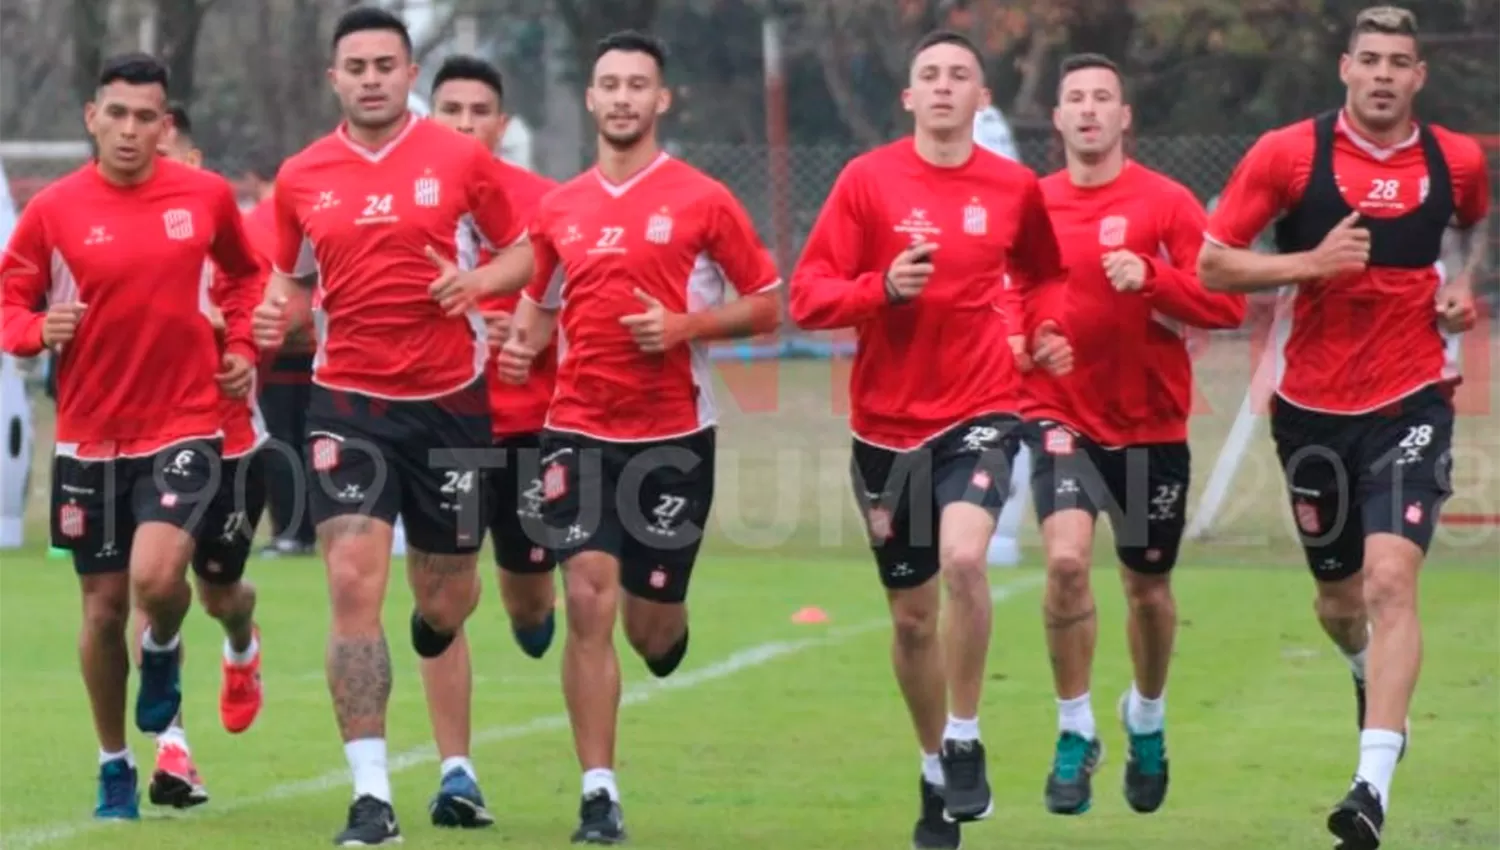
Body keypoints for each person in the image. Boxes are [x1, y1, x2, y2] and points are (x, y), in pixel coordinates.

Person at [1198, 7, 1490, 848]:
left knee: (1391, 580)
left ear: (1419, 76)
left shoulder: (1455, 160)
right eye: (1371, 60)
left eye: (1401, 61)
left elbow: (1473, 223)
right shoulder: (1289, 154)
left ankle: (1370, 786)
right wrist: (1308, 264)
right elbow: (1214, 261)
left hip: (1413, 397)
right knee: (1337, 600)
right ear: (1345, 69)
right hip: (1314, 413)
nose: (1385, 75)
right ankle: (1366, 673)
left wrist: (1460, 288)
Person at [250, 8, 534, 845]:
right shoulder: (302, 176)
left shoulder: (460, 159)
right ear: (333, 79)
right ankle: (370, 797)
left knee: (446, 598)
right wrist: (278, 319)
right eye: (355, 65)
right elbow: (290, 286)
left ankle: (442, 652)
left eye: (386, 63)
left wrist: (478, 284)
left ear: (412, 75)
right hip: (349, 402)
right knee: (351, 581)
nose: (371, 77)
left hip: (450, 402)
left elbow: (527, 252)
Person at [788, 29, 1073, 850]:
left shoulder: (1014, 188)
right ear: (908, 98)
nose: (945, 87)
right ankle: (930, 769)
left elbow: (1046, 273)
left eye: (960, 76)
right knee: (912, 621)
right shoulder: (865, 181)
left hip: (983, 407)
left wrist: (1045, 326)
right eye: (929, 76)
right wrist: (880, 288)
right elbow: (808, 297)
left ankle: (964, 732)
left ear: (982, 98)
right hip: (884, 428)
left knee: (965, 560)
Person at [495, 30, 781, 844]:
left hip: (673, 438)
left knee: (650, 631)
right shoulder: (559, 207)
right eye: (609, 85)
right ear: (590, 100)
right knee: (586, 591)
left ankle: (667, 624)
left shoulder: (702, 198)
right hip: (577, 427)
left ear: (662, 101)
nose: (622, 98)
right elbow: (542, 301)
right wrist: (521, 341)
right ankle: (597, 793)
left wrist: (686, 324)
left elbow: (766, 302)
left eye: (637, 86)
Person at [0, 54, 261, 820]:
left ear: (164, 124)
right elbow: (10, 302)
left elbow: (246, 276)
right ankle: (115, 764)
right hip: (88, 434)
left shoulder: (205, 196)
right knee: (102, 608)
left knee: (156, 581)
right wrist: (34, 330)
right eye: (116, 114)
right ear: (92, 117)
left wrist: (240, 347)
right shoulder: (53, 210)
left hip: (184, 422)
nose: (129, 129)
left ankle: (162, 656)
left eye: (146, 117)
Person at [1019, 54, 1246, 818]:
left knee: (1147, 590)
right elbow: (1003, 301)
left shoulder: (1168, 203)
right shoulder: (1033, 205)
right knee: (1064, 564)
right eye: (1074, 98)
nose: (1088, 109)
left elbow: (1226, 308)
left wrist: (1153, 278)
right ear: (1057, 118)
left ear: (1124, 117)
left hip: (1151, 428)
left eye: (1102, 98)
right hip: (1059, 416)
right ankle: (1075, 729)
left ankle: (1145, 718)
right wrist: (1029, 340)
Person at [414, 53, 562, 829]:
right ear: (428, 116)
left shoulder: (547, 207)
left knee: (531, 605)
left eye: (480, 111)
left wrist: (536, 335)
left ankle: (531, 606)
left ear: (502, 125)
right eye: (451, 110)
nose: (465, 124)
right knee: (443, 600)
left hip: (532, 428)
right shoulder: (405, 204)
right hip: (440, 428)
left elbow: (587, 307)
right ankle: (456, 772)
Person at [112, 104, 269, 813]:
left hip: (231, 443)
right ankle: (171, 748)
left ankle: (242, 644)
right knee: (150, 583)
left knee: (218, 591)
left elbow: (276, 305)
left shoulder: (230, 235)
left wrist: (243, 348)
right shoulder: (118, 237)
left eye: (172, 156)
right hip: (148, 441)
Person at [239, 151, 317, 558]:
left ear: (255, 177)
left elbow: (253, 283)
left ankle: (291, 532)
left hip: (276, 345)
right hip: (322, 344)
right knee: (314, 440)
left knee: (280, 440)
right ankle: (314, 529)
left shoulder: (255, 222)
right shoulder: (312, 208)